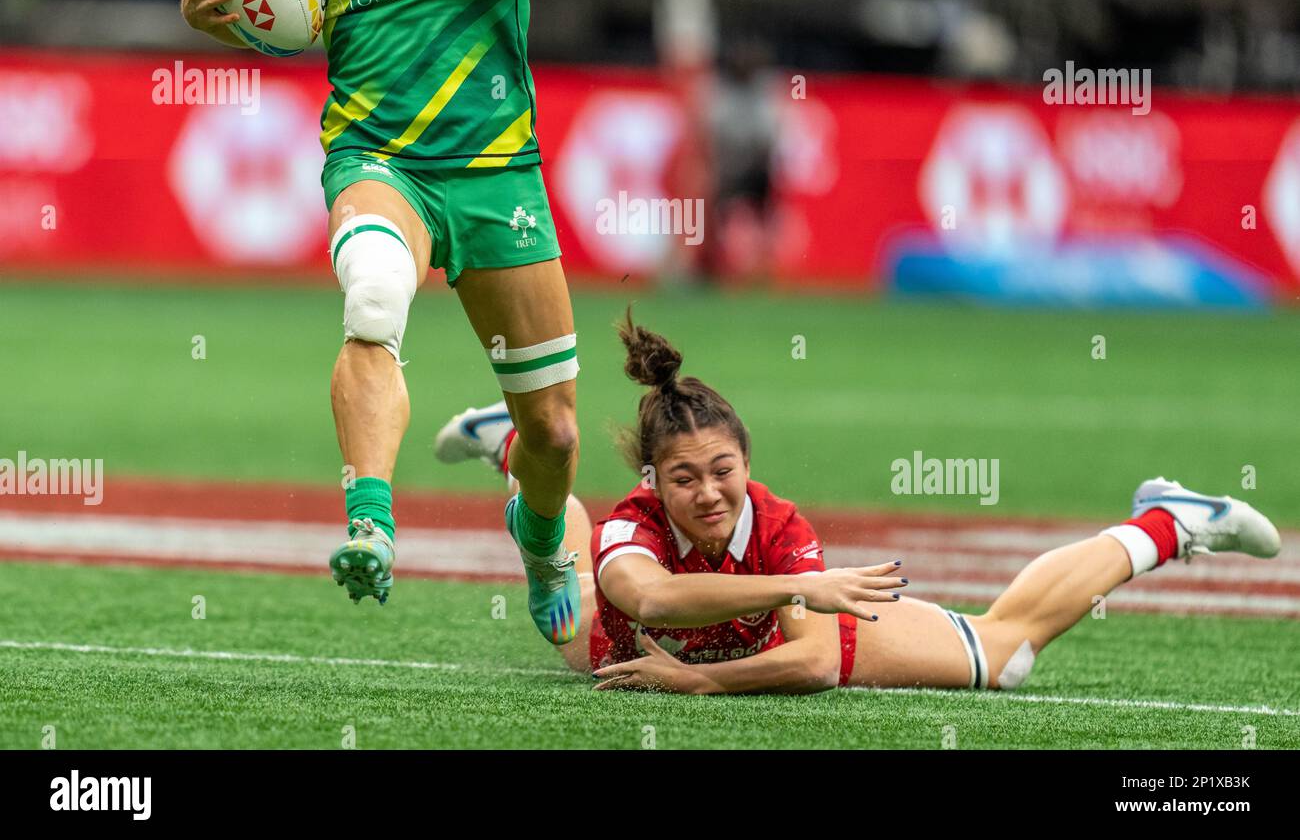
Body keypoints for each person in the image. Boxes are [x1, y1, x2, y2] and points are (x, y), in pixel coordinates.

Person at [179, 0, 649, 644]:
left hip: (495, 173)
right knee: (374, 293)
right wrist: (215, 21)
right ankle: (371, 522)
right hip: (375, 156)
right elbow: (292, 23)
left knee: (556, 431)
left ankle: (542, 528)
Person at [437, 314, 1282, 693]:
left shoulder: (779, 522)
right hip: (620, 635)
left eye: (722, 468)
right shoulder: (636, 522)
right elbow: (650, 597)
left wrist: (701, 684)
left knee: (1006, 657)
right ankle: (512, 442)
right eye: (683, 477)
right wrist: (797, 590)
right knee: (561, 592)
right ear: (653, 483)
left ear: (747, 461)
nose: (708, 491)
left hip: (782, 635)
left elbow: (810, 665)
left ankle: (1171, 519)